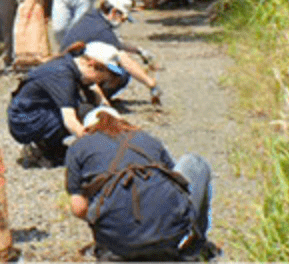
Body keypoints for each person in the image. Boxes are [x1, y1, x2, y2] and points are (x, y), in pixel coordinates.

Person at [65, 106, 215, 261]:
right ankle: (195, 246)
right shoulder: (148, 139)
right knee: (195, 162)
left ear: (88, 128)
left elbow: (79, 208)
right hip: (169, 235)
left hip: (117, 244)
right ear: (121, 122)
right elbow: (176, 183)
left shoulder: (79, 146)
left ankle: (115, 245)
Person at [7, 41, 123, 167]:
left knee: (89, 107)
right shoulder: (62, 75)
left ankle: (51, 146)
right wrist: (97, 149)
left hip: (33, 110)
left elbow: (93, 88)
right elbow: (70, 121)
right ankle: (39, 146)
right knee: (84, 112)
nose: (101, 82)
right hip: (24, 121)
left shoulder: (72, 63)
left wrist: (108, 111)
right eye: (102, 78)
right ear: (91, 64)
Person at [60, 0, 161, 103]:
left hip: (66, 65)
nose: (122, 22)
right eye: (122, 18)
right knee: (121, 73)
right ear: (113, 12)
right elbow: (124, 60)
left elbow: (117, 43)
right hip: (74, 75)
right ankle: (92, 99)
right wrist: (151, 84)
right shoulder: (103, 31)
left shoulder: (93, 16)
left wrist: (139, 51)